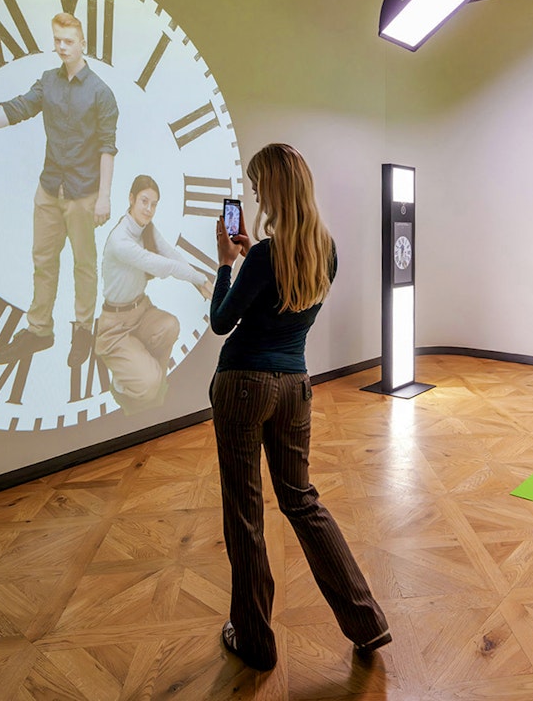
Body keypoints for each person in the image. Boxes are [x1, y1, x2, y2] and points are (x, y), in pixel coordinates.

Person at [209, 143, 390, 671]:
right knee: (302, 502)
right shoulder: (324, 250)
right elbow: (282, 297)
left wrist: (226, 265)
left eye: (259, 184)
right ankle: (367, 622)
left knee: (245, 514)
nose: (256, 193)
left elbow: (224, 320)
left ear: (275, 189)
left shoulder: (267, 255)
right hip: (295, 388)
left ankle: (254, 640)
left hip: (243, 386)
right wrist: (249, 259)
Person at [0, 12, 117, 367]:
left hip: (83, 193)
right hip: (49, 189)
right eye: (57, 40)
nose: (62, 47)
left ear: (83, 44)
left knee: (83, 265)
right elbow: (15, 109)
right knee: (43, 261)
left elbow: (107, 147)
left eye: (69, 41)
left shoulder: (101, 93)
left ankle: (82, 330)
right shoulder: (48, 82)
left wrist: (104, 196)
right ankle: (40, 331)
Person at [95, 175, 212, 414]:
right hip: (115, 326)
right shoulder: (120, 241)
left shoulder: (146, 229)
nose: (149, 209)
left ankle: (147, 379)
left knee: (169, 326)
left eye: (154, 204)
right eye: (144, 201)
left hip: (141, 311)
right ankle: (125, 384)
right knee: (150, 384)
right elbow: (161, 265)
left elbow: (170, 254)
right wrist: (200, 279)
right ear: (131, 199)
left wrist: (198, 284)